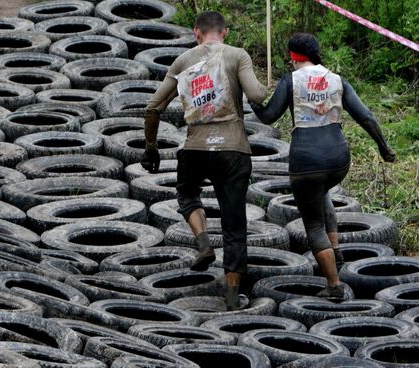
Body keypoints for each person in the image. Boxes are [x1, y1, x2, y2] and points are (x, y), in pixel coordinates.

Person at [250, 33, 396, 300]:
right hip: (339, 161)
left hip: (307, 163)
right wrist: (384, 147)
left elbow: (269, 116)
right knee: (323, 192)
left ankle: (334, 285)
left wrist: (253, 103)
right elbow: (366, 116)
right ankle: (336, 249)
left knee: (313, 225)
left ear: (293, 57)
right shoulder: (337, 79)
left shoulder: (290, 81)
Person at [140, 11, 268, 310]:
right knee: (234, 221)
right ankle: (234, 295)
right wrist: (265, 89)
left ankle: (203, 242)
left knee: (187, 194)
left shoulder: (183, 61)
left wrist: (151, 148)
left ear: (196, 33)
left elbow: (152, 107)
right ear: (225, 33)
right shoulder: (237, 55)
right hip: (234, 150)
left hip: (195, 147)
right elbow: (256, 93)